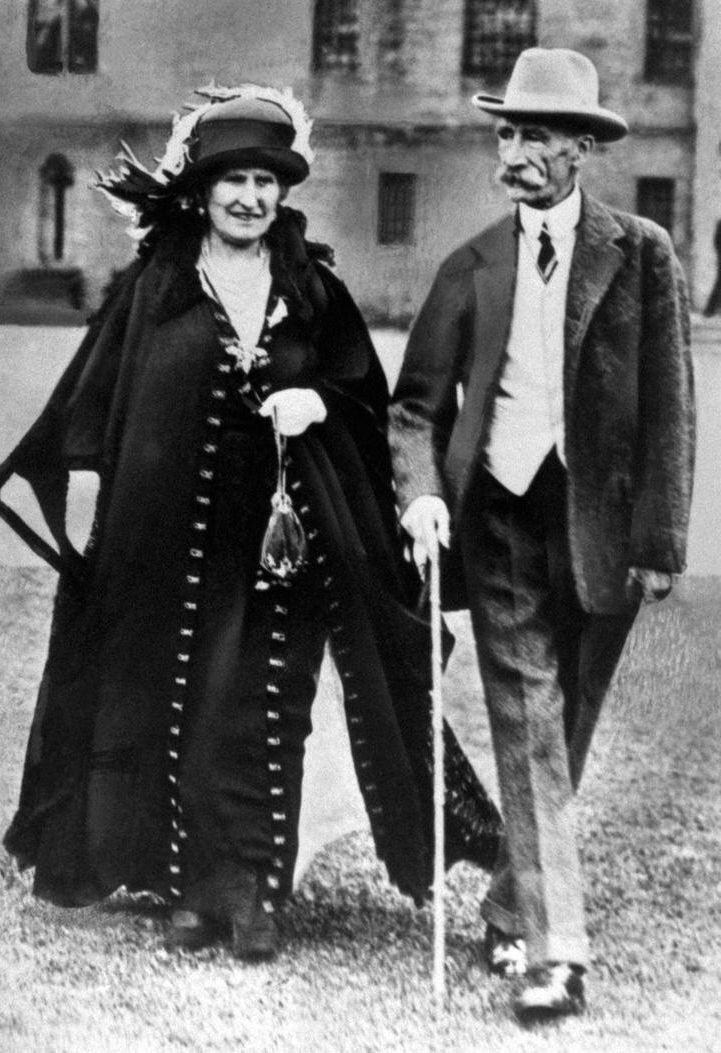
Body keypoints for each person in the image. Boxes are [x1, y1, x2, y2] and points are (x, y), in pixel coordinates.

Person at [0, 85, 500, 961]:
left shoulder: (315, 289)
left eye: (267, 181)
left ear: (284, 192)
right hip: (172, 543)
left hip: (285, 543)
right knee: (183, 706)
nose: (251, 198)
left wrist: (322, 406)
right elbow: (99, 404)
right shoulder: (154, 288)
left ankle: (256, 893)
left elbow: (369, 406)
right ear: (203, 190)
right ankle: (193, 892)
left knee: (268, 709)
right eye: (234, 180)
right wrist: (103, 512)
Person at [390, 48, 695, 1021]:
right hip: (500, 522)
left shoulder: (639, 251)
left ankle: (510, 897)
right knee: (526, 725)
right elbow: (411, 410)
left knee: (564, 730)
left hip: (604, 529)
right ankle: (555, 952)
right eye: (506, 133)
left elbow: (668, 411)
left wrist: (659, 541)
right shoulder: (468, 264)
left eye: (534, 136)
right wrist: (421, 493)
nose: (513, 151)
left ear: (578, 150)